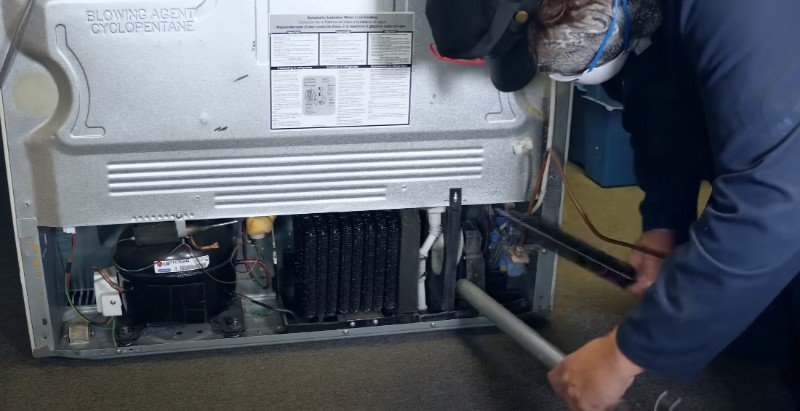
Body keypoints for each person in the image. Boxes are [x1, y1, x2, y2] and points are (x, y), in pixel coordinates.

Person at [528, 0, 800, 409]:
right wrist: (664, 220)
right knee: (738, 327)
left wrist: (623, 355)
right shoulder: (653, 20)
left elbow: (772, 199)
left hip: (784, 178)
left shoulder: (741, 16)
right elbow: (662, 107)